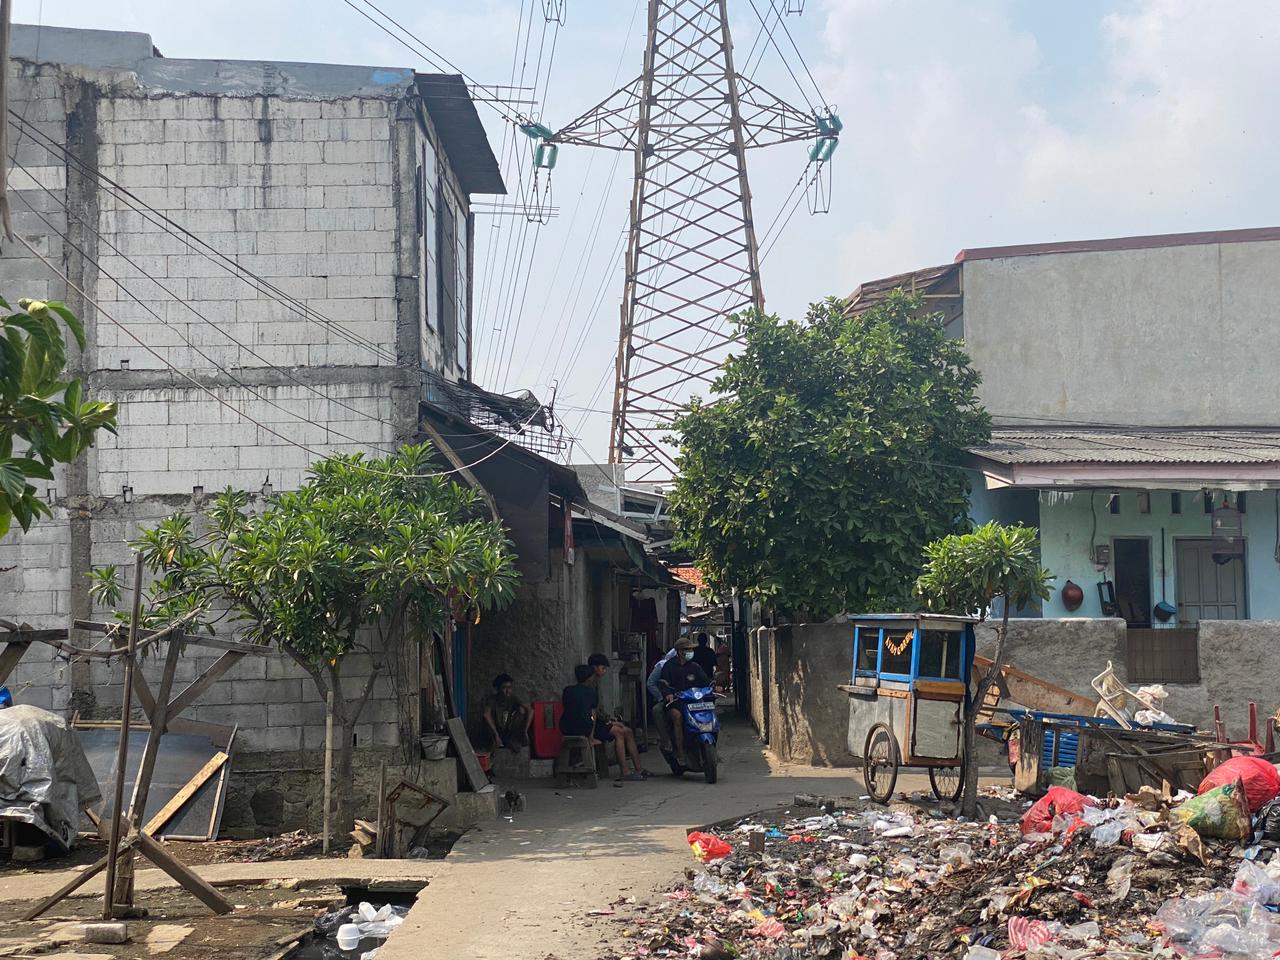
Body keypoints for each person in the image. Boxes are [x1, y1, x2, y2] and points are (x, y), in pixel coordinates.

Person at [561, 664, 646, 783]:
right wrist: (591, 736)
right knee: (619, 733)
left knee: (621, 729)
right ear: (589, 678)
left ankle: (635, 769)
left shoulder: (568, 690)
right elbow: (593, 716)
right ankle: (625, 771)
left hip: (566, 727)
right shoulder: (590, 692)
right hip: (585, 727)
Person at [586, 653, 649, 779]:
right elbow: (593, 712)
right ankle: (625, 771)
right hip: (592, 724)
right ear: (594, 668)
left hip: (599, 721)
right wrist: (609, 722)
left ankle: (638, 769)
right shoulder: (589, 686)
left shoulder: (595, 684)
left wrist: (609, 720)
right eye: (602, 668)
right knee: (619, 732)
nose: (604, 672)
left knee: (628, 731)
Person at [658, 637, 713, 767]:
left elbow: (706, 680)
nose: (690, 651)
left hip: (694, 701)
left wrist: (714, 686)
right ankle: (680, 753)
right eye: (687, 649)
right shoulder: (669, 666)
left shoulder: (695, 667)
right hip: (676, 702)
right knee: (677, 717)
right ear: (679, 651)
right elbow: (663, 683)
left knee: (708, 715)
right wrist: (668, 694)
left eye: (690, 649)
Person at [481, 673, 531, 751]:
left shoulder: (513, 698)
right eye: (504, 688)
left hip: (508, 731)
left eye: (510, 687)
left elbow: (530, 710)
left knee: (522, 710)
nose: (508, 691)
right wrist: (496, 735)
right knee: (486, 720)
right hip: (495, 732)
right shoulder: (492, 700)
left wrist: (525, 730)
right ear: (498, 688)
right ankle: (495, 742)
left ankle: (511, 740)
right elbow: (486, 715)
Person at [646, 646, 678, 750]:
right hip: (668, 697)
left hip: (685, 697)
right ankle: (666, 739)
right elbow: (651, 683)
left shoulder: (691, 666)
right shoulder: (664, 666)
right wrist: (661, 697)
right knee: (657, 710)